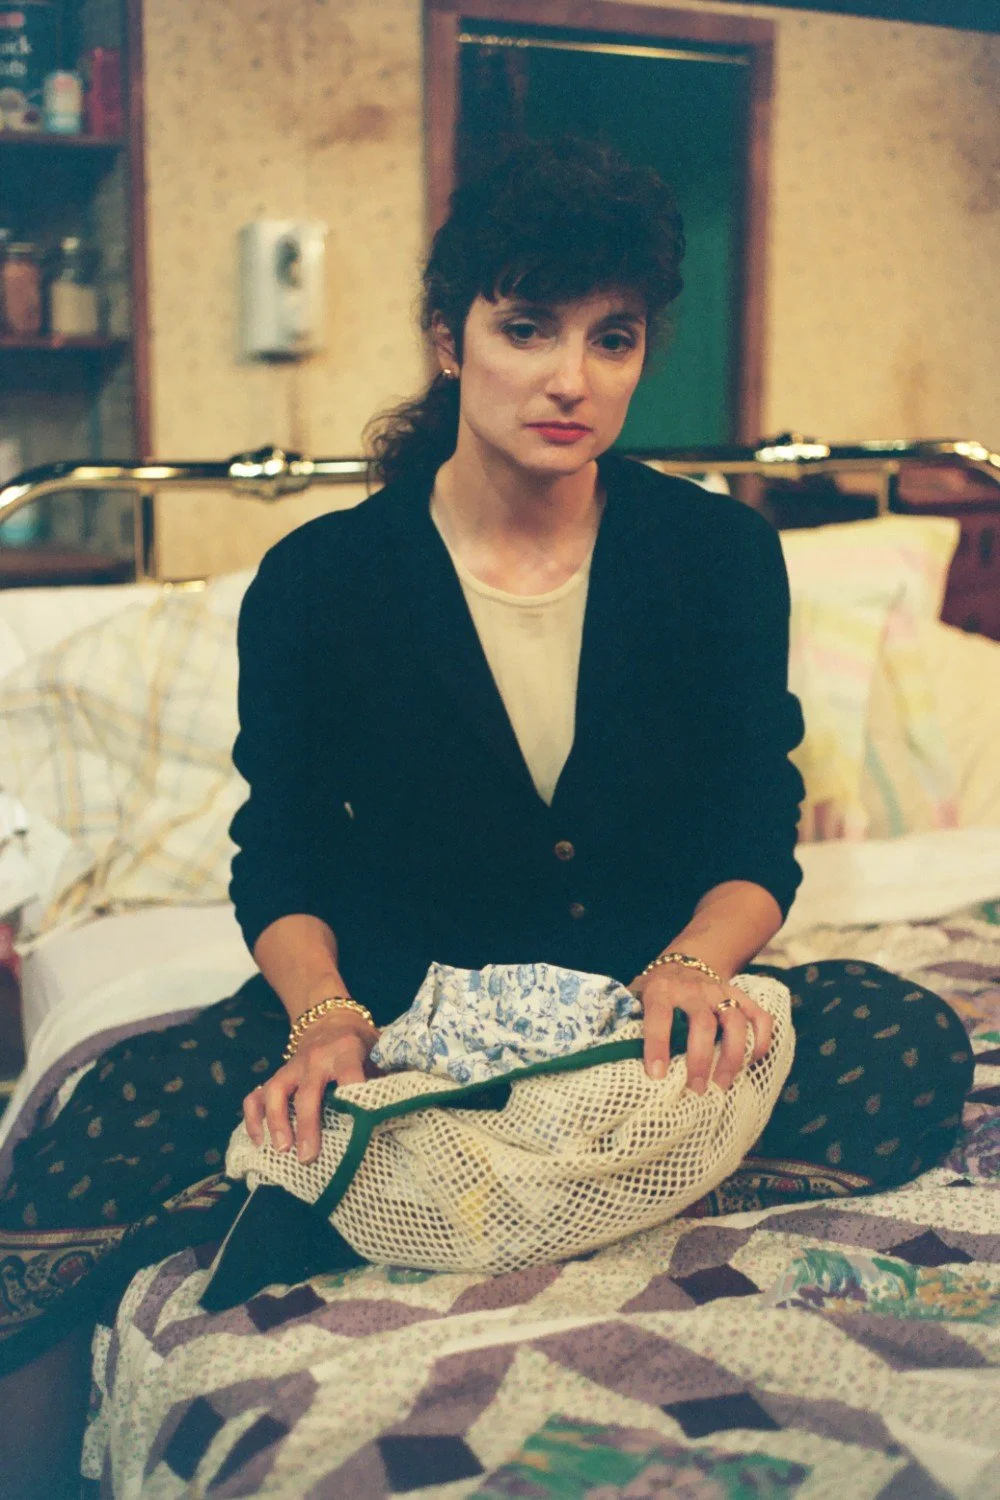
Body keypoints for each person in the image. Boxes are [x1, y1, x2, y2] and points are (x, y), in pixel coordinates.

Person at [0, 135, 973, 1496]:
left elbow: (757, 822)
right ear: (448, 339)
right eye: (526, 328)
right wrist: (325, 1017)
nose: (571, 378)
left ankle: (455, 1185)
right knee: (84, 1142)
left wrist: (696, 969)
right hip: (396, 1012)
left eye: (612, 338)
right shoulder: (321, 579)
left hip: (631, 1024)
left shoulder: (718, 557)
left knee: (911, 1044)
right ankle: (494, 1167)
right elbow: (281, 848)